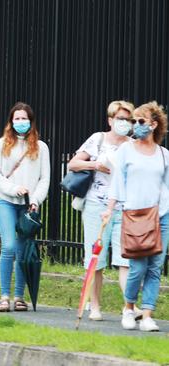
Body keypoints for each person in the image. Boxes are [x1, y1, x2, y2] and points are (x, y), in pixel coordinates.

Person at [103, 101, 169, 332]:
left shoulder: (164, 155)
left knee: (154, 268)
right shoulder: (126, 150)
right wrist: (110, 209)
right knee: (137, 267)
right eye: (133, 121)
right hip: (134, 215)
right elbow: (118, 182)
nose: (135, 126)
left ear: (153, 124)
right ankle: (129, 308)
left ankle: (148, 313)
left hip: (161, 217)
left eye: (140, 121)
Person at [67, 100, 137, 320]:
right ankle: (94, 305)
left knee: (125, 258)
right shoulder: (97, 139)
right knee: (96, 258)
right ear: (110, 120)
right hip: (97, 205)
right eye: (120, 119)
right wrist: (96, 164)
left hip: (124, 207)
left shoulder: (133, 145)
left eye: (128, 119)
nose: (124, 123)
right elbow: (73, 164)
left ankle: (129, 307)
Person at [0, 102, 50, 312]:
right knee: (8, 247)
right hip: (7, 201)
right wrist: (13, 188)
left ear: (31, 121)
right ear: (11, 121)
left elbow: (45, 179)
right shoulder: (1, 144)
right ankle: (4, 295)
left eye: (24, 118)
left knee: (24, 250)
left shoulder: (41, 148)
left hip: (29, 206)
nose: (20, 122)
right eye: (17, 118)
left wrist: (36, 199)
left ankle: (19, 296)